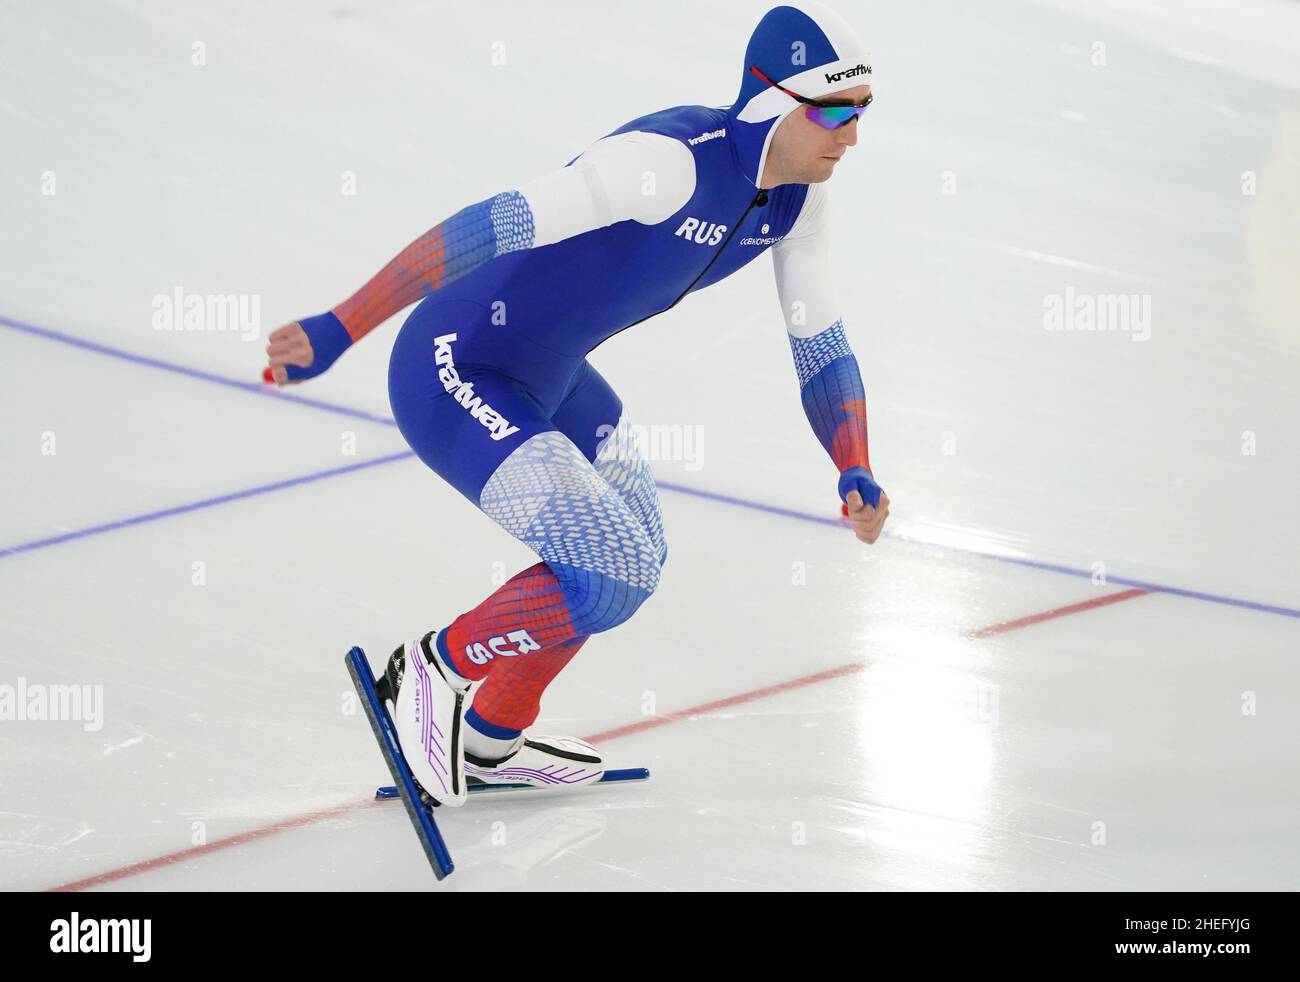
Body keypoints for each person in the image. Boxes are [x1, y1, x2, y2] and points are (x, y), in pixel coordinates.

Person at [265, 2, 889, 806]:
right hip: (455, 365)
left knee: (638, 555)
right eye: (834, 109)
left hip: (553, 375)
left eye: (863, 110)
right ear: (774, 101)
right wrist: (339, 326)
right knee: (610, 573)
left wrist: (855, 465)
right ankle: (428, 668)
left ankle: (490, 738)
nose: (851, 135)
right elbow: (484, 228)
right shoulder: (664, 163)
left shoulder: (799, 203)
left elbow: (820, 343)